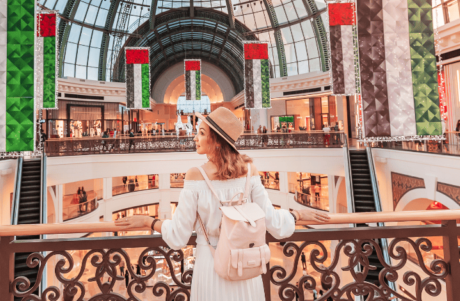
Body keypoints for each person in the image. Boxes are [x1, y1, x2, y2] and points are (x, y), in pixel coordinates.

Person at [115, 107, 331, 300]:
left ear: (216, 141)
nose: (194, 138)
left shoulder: (195, 176)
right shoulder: (250, 171)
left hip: (211, 267)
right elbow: (272, 222)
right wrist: (297, 216)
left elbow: (179, 236)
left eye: (201, 133)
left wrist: (149, 221)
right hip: (246, 268)